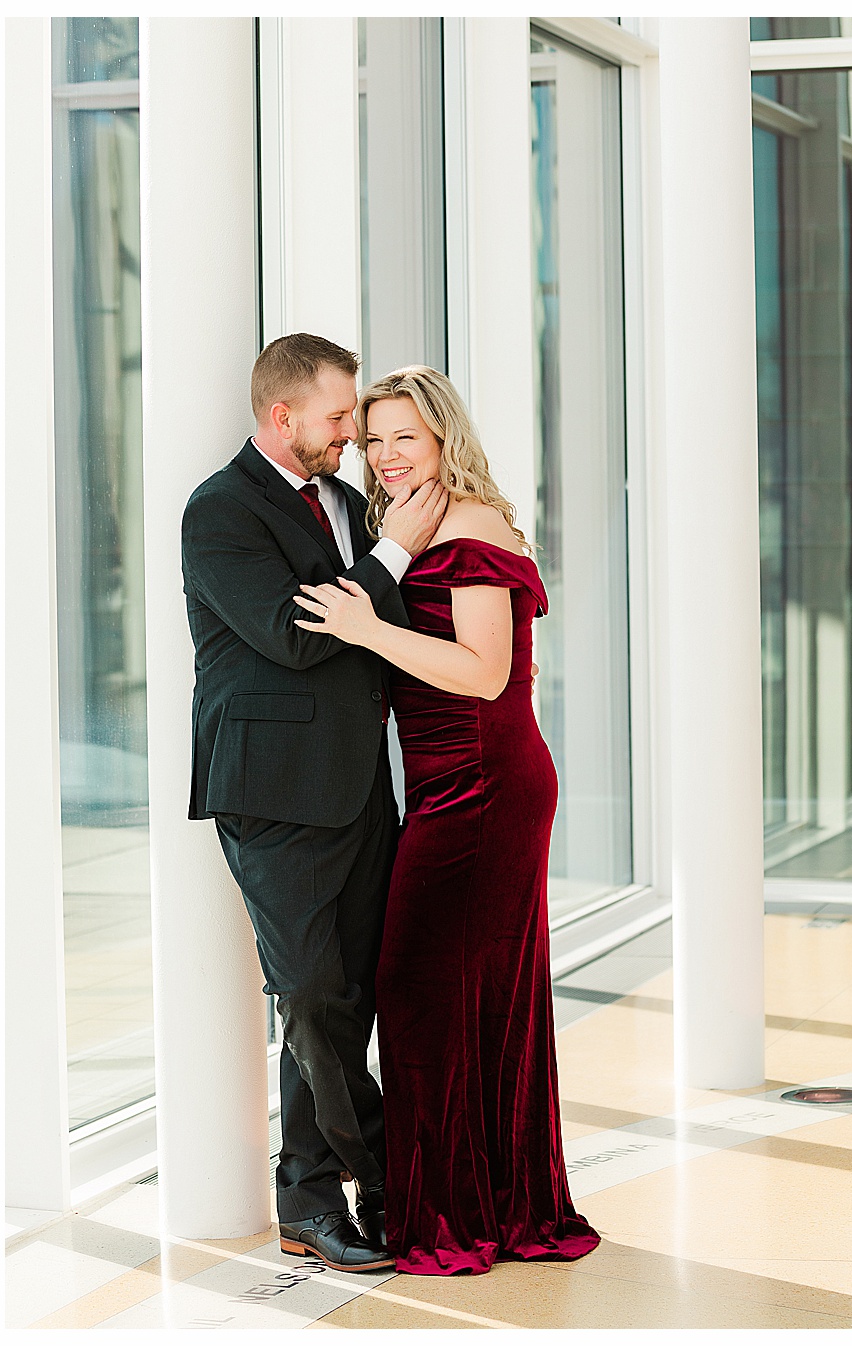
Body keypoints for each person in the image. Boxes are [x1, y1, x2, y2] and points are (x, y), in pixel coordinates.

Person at [292, 364, 602, 1275]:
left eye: (405, 439)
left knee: (428, 992)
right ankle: (485, 1204)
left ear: (442, 440)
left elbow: (485, 672)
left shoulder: (467, 524)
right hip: (442, 785)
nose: (386, 457)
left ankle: (457, 1215)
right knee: (457, 1001)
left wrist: (369, 630)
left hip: (485, 788)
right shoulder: (410, 526)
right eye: (374, 438)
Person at [180, 334, 445, 1272]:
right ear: (282, 416)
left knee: (347, 999)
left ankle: (306, 1197)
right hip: (273, 794)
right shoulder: (219, 511)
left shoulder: (343, 499)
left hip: (362, 785)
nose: (353, 437)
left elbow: (378, 634)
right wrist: (394, 555)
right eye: (340, 419)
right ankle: (374, 1180)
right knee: (312, 993)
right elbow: (296, 635)